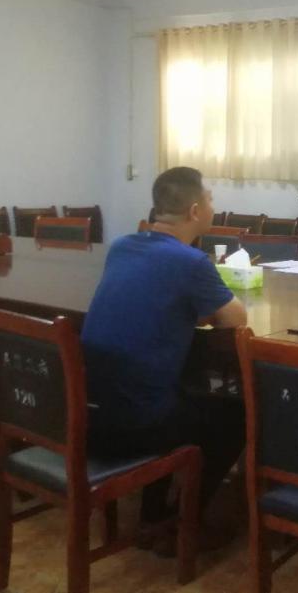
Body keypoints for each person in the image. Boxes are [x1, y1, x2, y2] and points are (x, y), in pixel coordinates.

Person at [82, 166, 248, 554]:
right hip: (138, 423)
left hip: (90, 416)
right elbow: (236, 319)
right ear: (195, 211)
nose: (213, 205)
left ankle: (154, 515)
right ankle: (180, 522)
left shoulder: (122, 246)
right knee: (234, 414)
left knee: (171, 389)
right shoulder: (190, 262)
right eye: (210, 199)